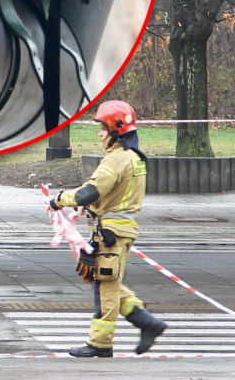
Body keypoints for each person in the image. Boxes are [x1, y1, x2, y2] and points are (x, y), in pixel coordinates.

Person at [49, 100, 167, 358]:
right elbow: (117, 196)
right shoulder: (134, 157)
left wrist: (58, 200)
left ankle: (100, 343)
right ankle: (146, 322)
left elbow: (90, 191)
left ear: (115, 129)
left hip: (111, 234)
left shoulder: (116, 159)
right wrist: (91, 210)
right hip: (120, 229)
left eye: (102, 128)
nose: (99, 133)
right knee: (106, 283)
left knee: (106, 289)